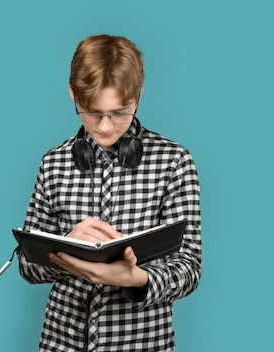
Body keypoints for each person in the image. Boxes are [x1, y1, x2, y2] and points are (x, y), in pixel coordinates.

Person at [17, 34, 201, 352]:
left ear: (138, 96)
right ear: (73, 95)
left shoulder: (174, 162)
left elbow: (188, 267)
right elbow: (26, 265)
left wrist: (136, 278)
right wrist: (67, 247)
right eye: (91, 112)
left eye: (118, 112)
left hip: (142, 344)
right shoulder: (53, 162)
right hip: (60, 342)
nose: (104, 126)